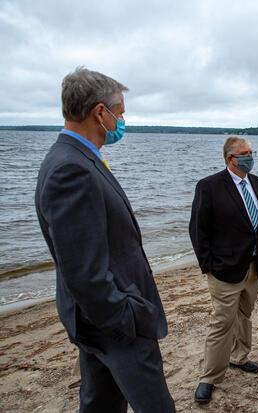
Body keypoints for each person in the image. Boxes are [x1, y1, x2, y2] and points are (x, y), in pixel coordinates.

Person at [35, 67, 175, 412]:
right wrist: (126, 318)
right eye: (120, 113)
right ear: (101, 112)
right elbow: (84, 272)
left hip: (97, 319)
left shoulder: (74, 158)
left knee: (100, 404)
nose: (122, 121)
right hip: (114, 323)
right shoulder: (72, 169)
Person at [189, 136, 258, 405]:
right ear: (230, 158)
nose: (250, 156)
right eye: (245, 153)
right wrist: (208, 266)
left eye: (252, 152)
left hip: (255, 266)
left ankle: (240, 357)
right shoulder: (210, 186)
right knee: (222, 321)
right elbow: (198, 230)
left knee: (244, 314)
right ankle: (210, 377)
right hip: (224, 269)